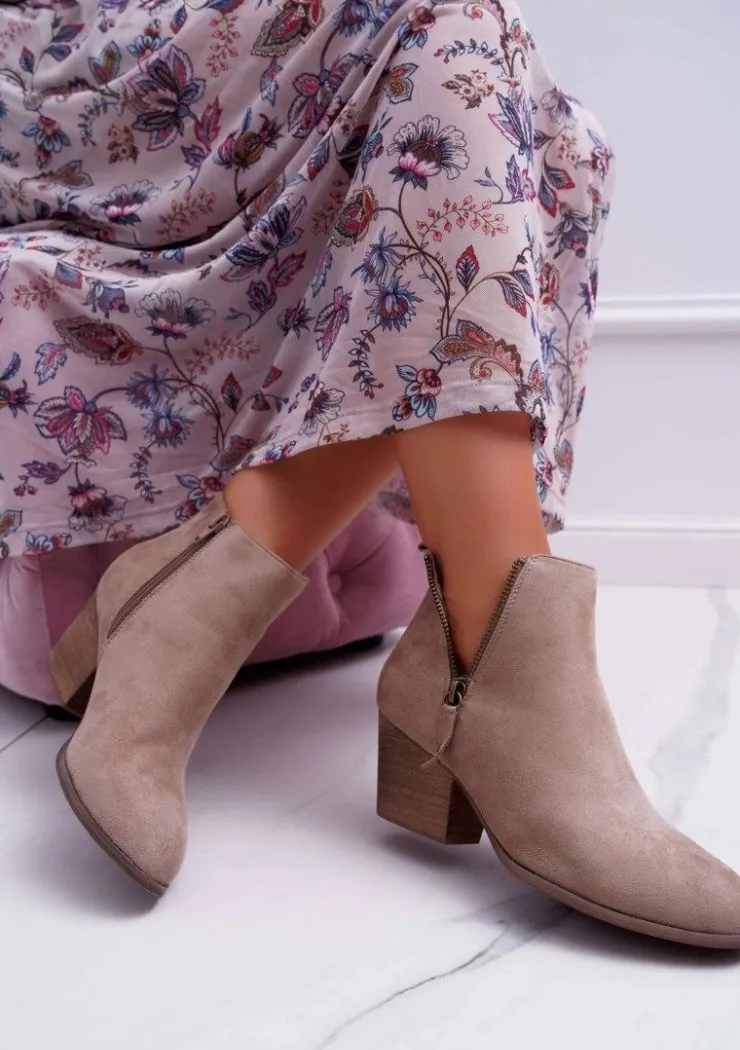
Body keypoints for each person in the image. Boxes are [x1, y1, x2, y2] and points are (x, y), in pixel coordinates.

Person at [2, 0, 739, 947]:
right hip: (64, 69)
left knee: (503, 96)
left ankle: (201, 598)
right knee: (468, 51)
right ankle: (493, 666)